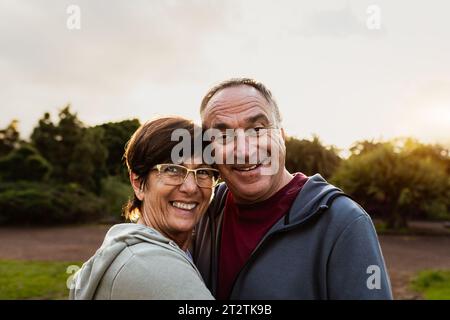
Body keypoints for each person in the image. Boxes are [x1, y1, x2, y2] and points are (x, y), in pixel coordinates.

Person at [193, 78, 393, 299]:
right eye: (223, 136)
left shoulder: (343, 222)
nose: (244, 150)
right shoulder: (203, 211)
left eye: (257, 129)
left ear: (281, 135)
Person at [70, 116, 218, 300]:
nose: (191, 187)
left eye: (203, 172)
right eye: (172, 169)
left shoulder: (184, 250)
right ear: (139, 183)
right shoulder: (150, 265)